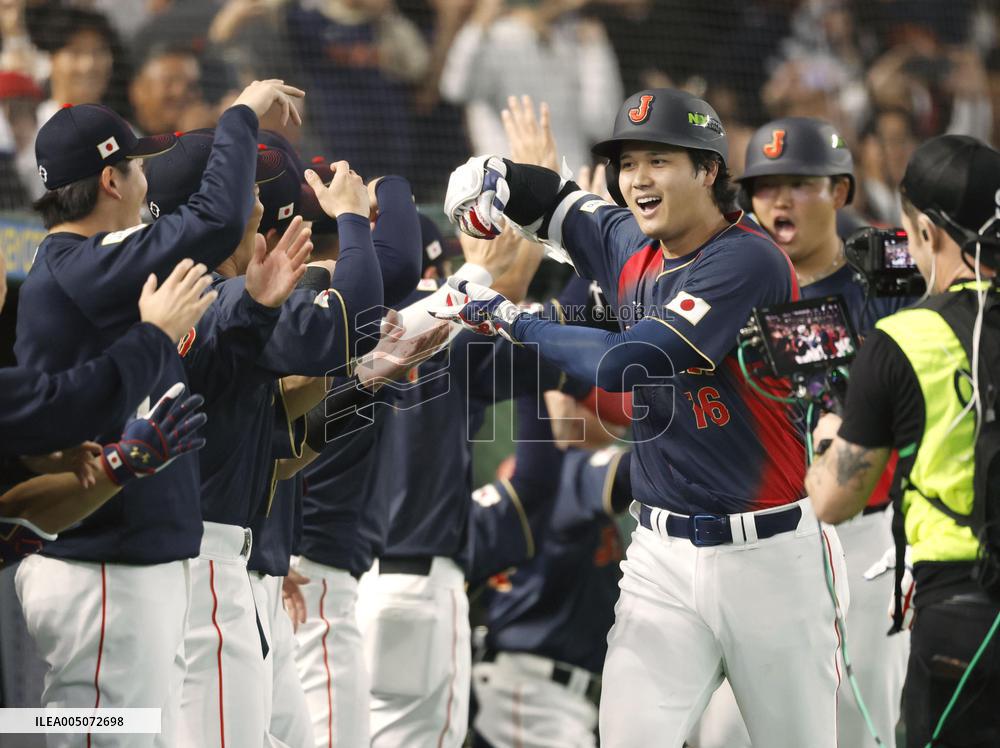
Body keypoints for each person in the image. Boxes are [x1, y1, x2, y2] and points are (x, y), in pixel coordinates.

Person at [439, 87, 848, 747]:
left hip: (770, 556)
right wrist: (489, 179)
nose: (637, 179)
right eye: (629, 163)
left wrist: (513, 318)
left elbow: (629, 362)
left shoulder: (747, 259)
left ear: (709, 171)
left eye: (659, 160)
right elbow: (560, 202)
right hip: (660, 554)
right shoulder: (629, 239)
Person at [12, 79, 302, 748]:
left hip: (126, 565)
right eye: (138, 166)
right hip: (103, 567)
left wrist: (253, 310)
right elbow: (214, 222)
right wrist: (236, 115)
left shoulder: (90, 273)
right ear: (111, 181)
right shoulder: (77, 263)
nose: (146, 180)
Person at [692, 115, 913, 748]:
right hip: (762, 537)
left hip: (867, 534)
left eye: (799, 183)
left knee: (864, 724)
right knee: (731, 733)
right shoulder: (732, 284)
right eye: (764, 187)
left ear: (841, 192)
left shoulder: (887, 278)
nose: (778, 200)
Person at [808, 134, 1000, 748]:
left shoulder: (903, 339)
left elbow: (834, 501)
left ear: (925, 231)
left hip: (961, 614)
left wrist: (828, 438)